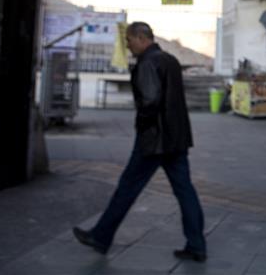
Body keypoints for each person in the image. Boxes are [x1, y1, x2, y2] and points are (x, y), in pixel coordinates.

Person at [73, 22, 207, 262]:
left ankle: (101, 237)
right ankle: (196, 245)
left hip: (153, 140)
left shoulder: (147, 62)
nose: (128, 45)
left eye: (129, 40)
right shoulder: (170, 60)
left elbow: (150, 101)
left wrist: (142, 126)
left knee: (127, 187)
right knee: (185, 191)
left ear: (141, 38)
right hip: (176, 139)